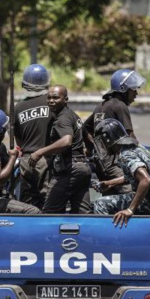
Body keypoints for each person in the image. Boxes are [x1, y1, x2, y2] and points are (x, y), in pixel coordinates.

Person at [92, 119, 150, 227]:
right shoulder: (136, 148)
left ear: (108, 140)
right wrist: (109, 183)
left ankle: (105, 234)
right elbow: (134, 176)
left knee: (100, 203)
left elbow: (145, 179)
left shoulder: (126, 154)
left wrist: (130, 210)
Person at [82, 68, 147, 196]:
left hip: (101, 163)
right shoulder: (119, 106)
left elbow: (85, 128)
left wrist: (91, 149)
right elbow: (130, 136)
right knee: (132, 194)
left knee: (111, 198)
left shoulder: (101, 106)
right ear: (123, 89)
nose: (136, 94)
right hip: (115, 164)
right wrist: (143, 155)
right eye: (133, 89)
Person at [28, 85, 91, 214]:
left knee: (50, 212)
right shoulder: (74, 115)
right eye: (49, 98)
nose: (51, 101)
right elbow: (89, 138)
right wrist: (87, 152)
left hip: (70, 169)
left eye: (56, 98)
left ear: (65, 99)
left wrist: (39, 152)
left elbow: (66, 141)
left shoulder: (63, 118)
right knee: (83, 213)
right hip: (83, 168)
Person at [13, 64, 52, 209]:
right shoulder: (53, 103)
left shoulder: (18, 107)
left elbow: (18, 138)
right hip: (46, 159)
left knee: (28, 204)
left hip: (26, 161)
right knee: (49, 201)